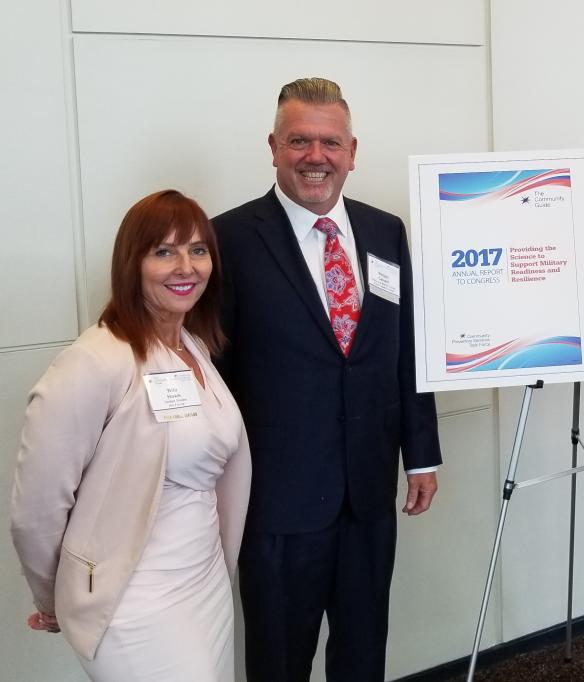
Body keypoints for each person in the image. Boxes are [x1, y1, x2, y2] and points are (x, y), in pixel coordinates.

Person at [212, 77, 443, 681]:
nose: (316, 157)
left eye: (330, 143)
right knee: (279, 661)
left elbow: (404, 348)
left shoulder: (384, 231)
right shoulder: (227, 240)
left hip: (369, 492)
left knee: (363, 653)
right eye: (299, 141)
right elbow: (214, 374)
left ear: (352, 150)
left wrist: (420, 455)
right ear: (272, 146)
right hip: (278, 503)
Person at [10, 190, 251, 681]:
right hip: (133, 603)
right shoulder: (95, 360)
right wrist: (56, 595)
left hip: (204, 584)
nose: (186, 266)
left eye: (198, 250)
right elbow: (36, 508)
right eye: (164, 251)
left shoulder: (193, 345)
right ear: (132, 263)